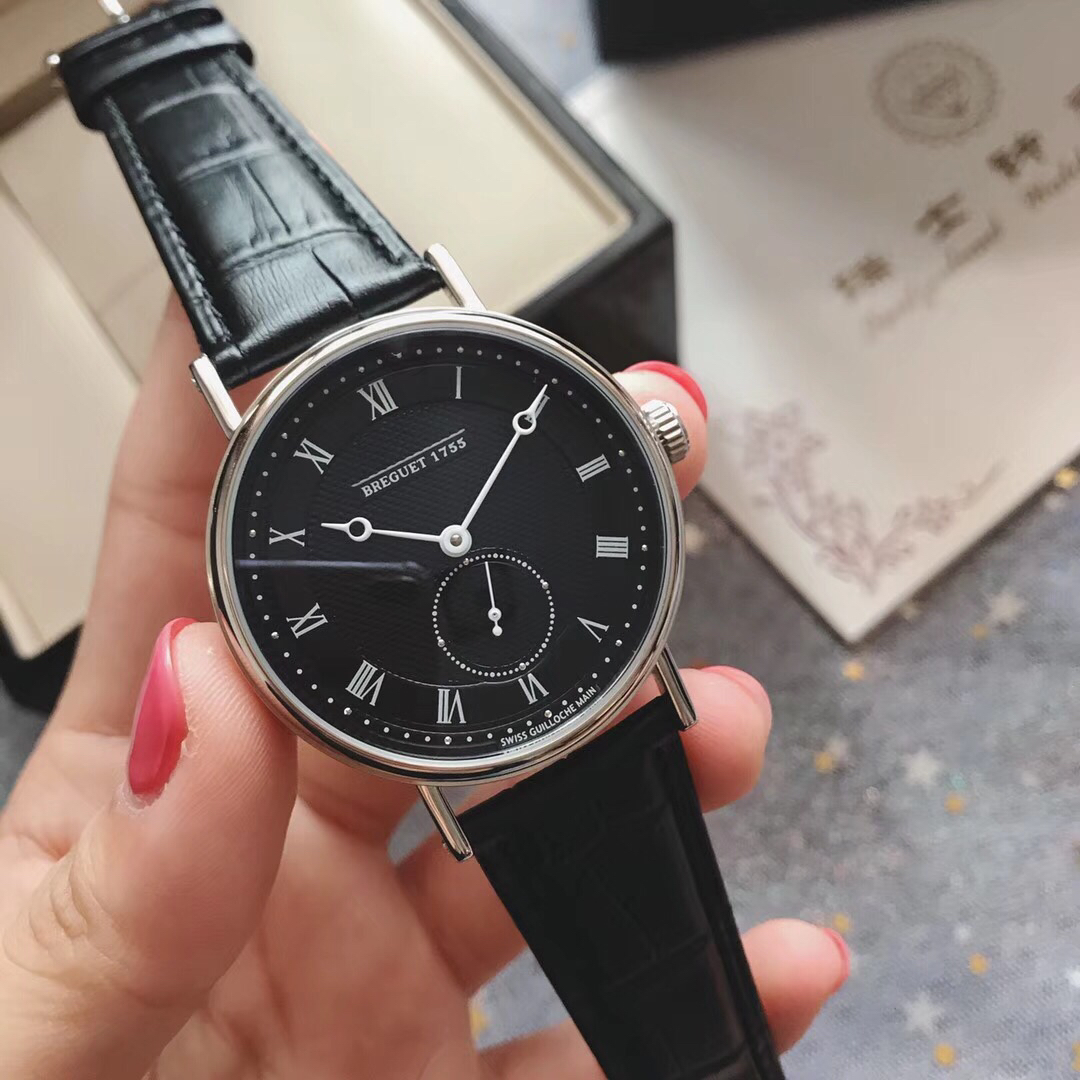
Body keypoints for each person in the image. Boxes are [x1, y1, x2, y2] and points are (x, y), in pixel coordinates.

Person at [0, 300, 849, 1078]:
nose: (455, 540)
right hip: (491, 738)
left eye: (460, 534)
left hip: (587, 703)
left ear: (644, 438)